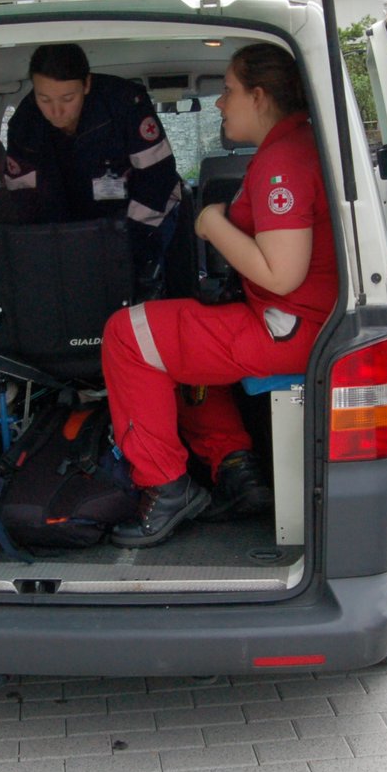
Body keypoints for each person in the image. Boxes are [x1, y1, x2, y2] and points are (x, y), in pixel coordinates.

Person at [100, 43, 336, 547]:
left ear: (259, 95)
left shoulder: (282, 164)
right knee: (175, 344)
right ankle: (236, 472)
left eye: (228, 91)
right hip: (293, 320)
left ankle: (165, 487)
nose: (220, 103)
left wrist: (212, 222)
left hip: (290, 327)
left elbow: (281, 274)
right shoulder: (296, 147)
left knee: (126, 334)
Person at [4, 43, 183, 287]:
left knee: (138, 278)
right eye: (44, 99)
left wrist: (124, 238)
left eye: (68, 98)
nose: (56, 111)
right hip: (72, 222)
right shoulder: (25, 123)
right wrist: (54, 244)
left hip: (144, 212)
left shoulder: (125, 105)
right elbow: (24, 197)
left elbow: (157, 178)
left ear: (86, 85)